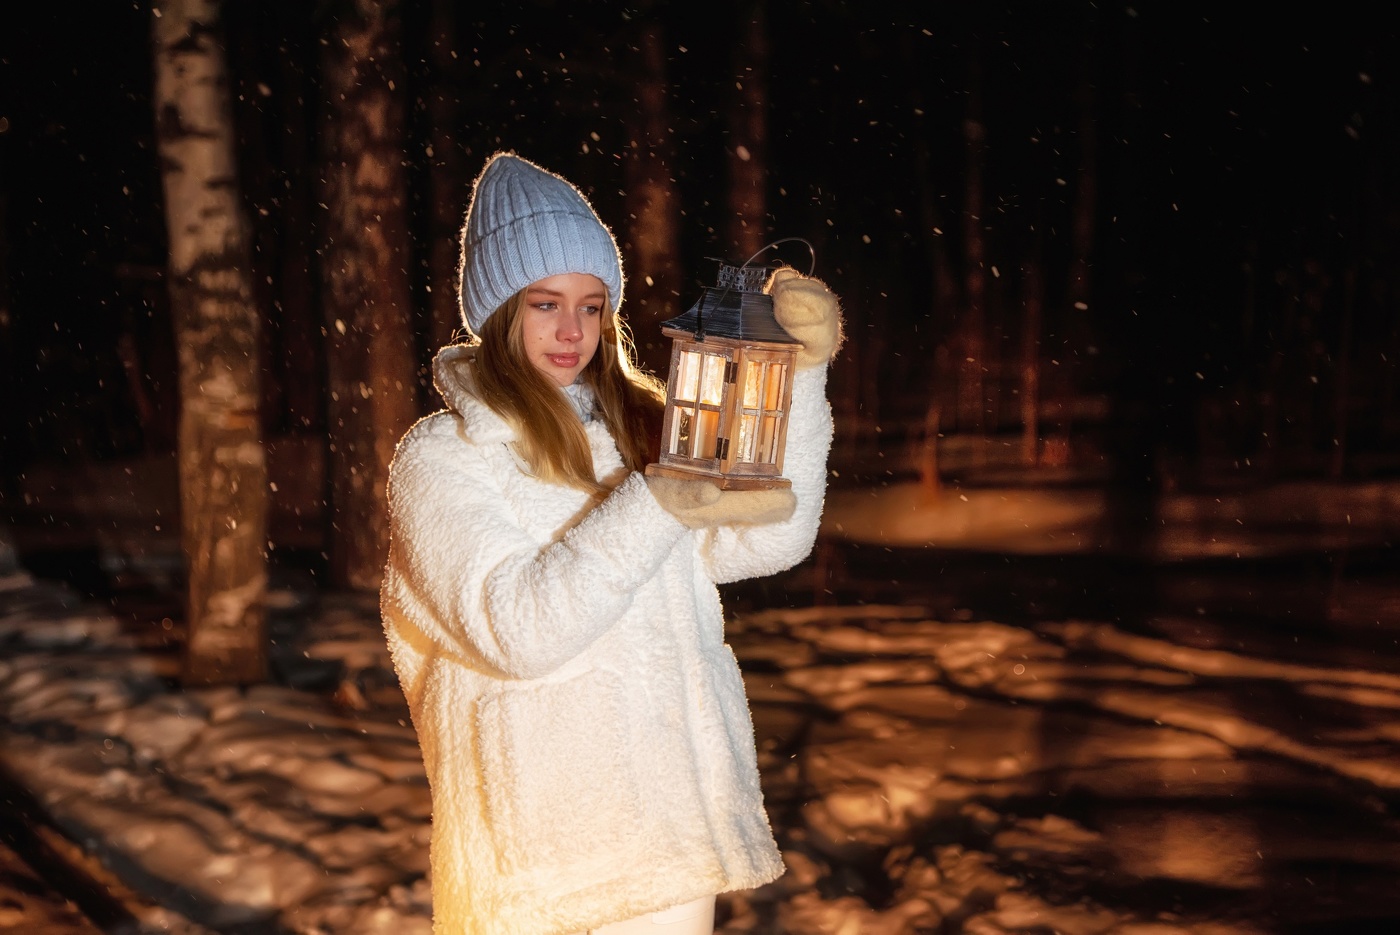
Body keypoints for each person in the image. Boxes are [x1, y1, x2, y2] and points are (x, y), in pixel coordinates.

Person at [380, 152, 842, 935]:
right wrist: (653, 500)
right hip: (535, 854)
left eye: (593, 306)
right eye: (545, 303)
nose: (572, 330)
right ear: (497, 311)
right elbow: (516, 628)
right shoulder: (442, 458)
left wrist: (799, 377)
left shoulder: (636, 431)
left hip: (664, 839)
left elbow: (770, 538)